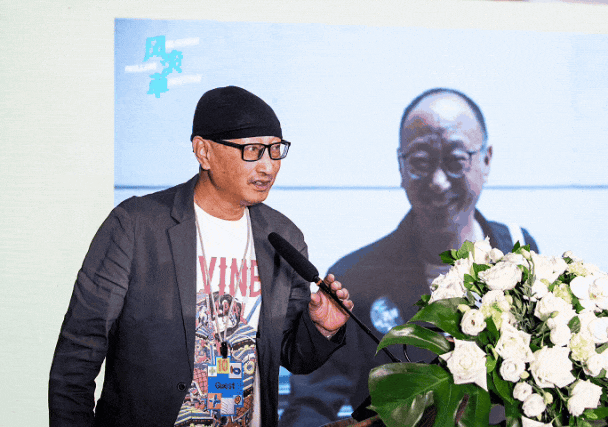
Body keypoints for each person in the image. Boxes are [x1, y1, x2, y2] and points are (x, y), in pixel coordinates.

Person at [48, 86, 354, 427]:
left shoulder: (283, 237)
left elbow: (292, 356)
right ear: (204, 152)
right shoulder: (135, 226)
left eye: (275, 150)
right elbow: (78, 353)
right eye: (253, 150)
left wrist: (321, 328)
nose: (268, 166)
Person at [279, 88, 539, 426]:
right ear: (401, 166)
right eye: (420, 162)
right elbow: (310, 407)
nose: (438, 181)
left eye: (455, 159)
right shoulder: (356, 278)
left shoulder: (519, 251)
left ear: (486, 160)